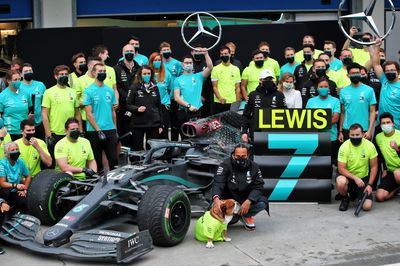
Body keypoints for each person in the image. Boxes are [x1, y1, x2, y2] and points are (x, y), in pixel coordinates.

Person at [212, 144, 268, 230]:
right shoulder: (225, 164)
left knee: (262, 203)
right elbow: (218, 183)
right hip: (228, 198)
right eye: (237, 156)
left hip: (246, 198)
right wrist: (216, 199)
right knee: (213, 208)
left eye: (243, 156)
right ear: (233, 155)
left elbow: (259, 186)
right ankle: (227, 217)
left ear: (248, 156)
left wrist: (249, 200)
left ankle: (245, 215)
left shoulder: (254, 166)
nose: (240, 158)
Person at [83, 63, 118, 172]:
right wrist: (99, 130)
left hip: (110, 130)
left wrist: (115, 129)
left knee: (113, 160)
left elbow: (113, 111)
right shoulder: (88, 91)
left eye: (104, 71)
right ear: (93, 73)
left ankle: (115, 183)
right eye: (100, 71)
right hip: (95, 131)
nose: (102, 73)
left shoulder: (110, 90)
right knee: (97, 161)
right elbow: (88, 114)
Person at [336, 123, 378, 212]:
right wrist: (355, 178)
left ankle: (355, 195)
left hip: (363, 179)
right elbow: (341, 169)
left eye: (357, 135)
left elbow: (374, 167)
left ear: (362, 134)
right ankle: (345, 198)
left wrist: (370, 185)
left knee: (367, 206)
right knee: (340, 182)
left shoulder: (370, 145)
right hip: (348, 177)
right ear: (349, 135)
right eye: (352, 135)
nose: (355, 137)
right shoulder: (344, 146)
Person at [174, 50, 213, 139]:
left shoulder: (198, 76)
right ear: (182, 64)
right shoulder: (178, 79)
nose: (188, 64)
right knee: (184, 139)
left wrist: (206, 54)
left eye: (190, 62)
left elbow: (210, 67)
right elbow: (176, 97)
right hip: (183, 113)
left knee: (196, 139)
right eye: (186, 62)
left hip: (196, 114)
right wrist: (188, 106)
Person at [42, 65, 82, 151]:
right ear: (56, 76)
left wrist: (81, 131)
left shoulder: (73, 91)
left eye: (66, 74)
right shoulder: (48, 92)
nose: (64, 76)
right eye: (61, 74)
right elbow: (44, 114)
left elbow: (77, 113)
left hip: (71, 132)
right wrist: (48, 135)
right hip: (56, 132)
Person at [241, 70, 286, 143]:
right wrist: (244, 132)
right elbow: (246, 115)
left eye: (270, 79)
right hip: (256, 132)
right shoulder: (253, 95)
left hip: (274, 133)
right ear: (260, 80)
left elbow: (285, 114)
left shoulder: (279, 95)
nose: (268, 81)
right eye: (265, 79)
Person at [126, 66, 163, 150]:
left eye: (148, 74)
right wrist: (137, 109)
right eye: (144, 74)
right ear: (140, 75)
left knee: (152, 149)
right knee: (137, 149)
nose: (147, 75)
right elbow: (128, 105)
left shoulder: (155, 87)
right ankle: (136, 163)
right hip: (138, 124)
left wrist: (161, 124)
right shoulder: (134, 87)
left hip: (153, 124)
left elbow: (159, 107)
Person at [338, 63, 376, 142]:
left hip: (364, 130)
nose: (355, 75)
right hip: (347, 130)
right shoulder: (343, 91)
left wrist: (370, 130)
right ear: (348, 75)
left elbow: (372, 112)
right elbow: (342, 112)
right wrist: (340, 131)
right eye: (353, 73)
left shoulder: (369, 90)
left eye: (357, 73)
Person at [306, 78, 341, 164]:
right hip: (315, 137)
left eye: (326, 86)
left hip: (331, 136)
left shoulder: (335, 101)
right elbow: (307, 118)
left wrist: (319, 124)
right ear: (317, 88)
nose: (323, 88)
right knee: (316, 162)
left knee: (330, 162)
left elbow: (335, 118)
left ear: (329, 88)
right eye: (321, 86)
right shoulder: (311, 101)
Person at [113, 44, 140, 147]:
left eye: (131, 51)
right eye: (127, 51)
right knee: (125, 133)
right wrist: (127, 97)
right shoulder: (116, 69)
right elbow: (117, 87)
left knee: (136, 135)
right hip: (123, 106)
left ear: (134, 53)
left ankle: (137, 160)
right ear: (123, 53)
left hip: (136, 107)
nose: (129, 53)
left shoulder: (139, 68)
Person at [372, 39, 400, 129]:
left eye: (392, 70)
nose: (389, 72)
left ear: (398, 72)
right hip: (381, 125)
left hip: (396, 127)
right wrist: (377, 46)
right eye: (387, 71)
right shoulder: (384, 80)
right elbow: (376, 64)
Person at [0, 71, 33, 141]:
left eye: (19, 79)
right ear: (8, 81)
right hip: (9, 133)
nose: (18, 82)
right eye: (15, 80)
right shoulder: (2, 96)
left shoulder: (26, 93)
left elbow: (30, 108)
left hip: (24, 132)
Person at [160, 41, 183, 141]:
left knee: (175, 123)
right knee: (163, 123)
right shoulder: (158, 63)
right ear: (160, 52)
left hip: (174, 98)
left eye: (168, 49)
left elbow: (181, 79)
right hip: (163, 99)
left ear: (171, 50)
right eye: (164, 50)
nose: (166, 51)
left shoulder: (177, 63)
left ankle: (174, 144)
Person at [375, 112, 400, 202]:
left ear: (393, 123)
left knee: (398, 173)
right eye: (383, 123)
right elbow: (381, 155)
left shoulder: (399, 135)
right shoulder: (378, 137)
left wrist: (397, 149)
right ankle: (397, 187)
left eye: (388, 122)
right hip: (390, 171)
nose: (386, 125)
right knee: (379, 197)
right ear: (380, 125)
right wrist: (384, 169)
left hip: (398, 170)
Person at [0, 142, 31, 212]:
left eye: (17, 149)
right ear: (6, 153)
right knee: (6, 192)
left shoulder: (20, 162)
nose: (15, 151)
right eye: (12, 150)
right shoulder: (2, 164)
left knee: (24, 201)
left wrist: (24, 189)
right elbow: (2, 183)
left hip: (15, 191)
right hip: (4, 191)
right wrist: (15, 185)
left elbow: (28, 176)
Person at [74, 56, 102, 131]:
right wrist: (88, 101)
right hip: (86, 120)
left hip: (101, 119)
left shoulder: (102, 80)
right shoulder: (79, 81)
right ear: (89, 66)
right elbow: (75, 102)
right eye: (95, 66)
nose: (97, 68)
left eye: (99, 66)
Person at [20, 63, 47, 140]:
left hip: (39, 124)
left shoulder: (40, 85)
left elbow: (45, 103)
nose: (28, 72)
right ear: (21, 74)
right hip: (24, 125)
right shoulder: (18, 87)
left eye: (30, 70)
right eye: (26, 71)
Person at [211, 45, 241, 114]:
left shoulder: (236, 69)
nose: (224, 55)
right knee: (220, 123)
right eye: (222, 54)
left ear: (230, 54)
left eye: (225, 54)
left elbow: (238, 87)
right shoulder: (215, 69)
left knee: (231, 123)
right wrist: (220, 98)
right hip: (219, 102)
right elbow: (214, 87)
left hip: (232, 102)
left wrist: (238, 100)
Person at [149, 52, 172, 140]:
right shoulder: (148, 74)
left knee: (164, 131)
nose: (157, 62)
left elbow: (170, 89)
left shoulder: (167, 74)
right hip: (151, 107)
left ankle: (166, 151)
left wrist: (165, 102)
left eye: (159, 60)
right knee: (153, 132)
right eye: (155, 60)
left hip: (163, 106)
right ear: (151, 62)